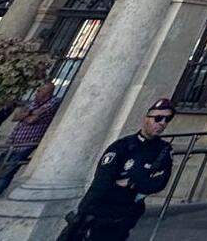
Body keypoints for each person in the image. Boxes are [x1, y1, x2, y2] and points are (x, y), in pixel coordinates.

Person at [60, 98, 175, 241]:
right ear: (146, 118)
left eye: (167, 119)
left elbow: (159, 182)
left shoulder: (163, 151)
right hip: (98, 211)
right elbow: (103, 180)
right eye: (158, 118)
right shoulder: (123, 146)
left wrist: (131, 183)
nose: (162, 123)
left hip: (125, 215)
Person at [0, 80, 60, 192]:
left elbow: (31, 120)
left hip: (26, 144)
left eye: (40, 90)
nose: (36, 92)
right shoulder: (33, 102)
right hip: (12, 141)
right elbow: (15, 117)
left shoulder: (53, 102)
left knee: (7, 172)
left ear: (47, 93)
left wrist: (26, 114)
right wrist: (30, 113)